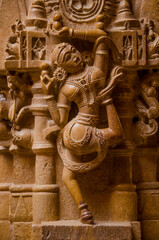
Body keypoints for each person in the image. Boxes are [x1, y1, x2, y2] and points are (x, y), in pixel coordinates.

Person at [40, 27, 124, 224]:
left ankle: (84, 211)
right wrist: (48, 93)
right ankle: (108, 102)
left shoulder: (83, 78)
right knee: (117, 134)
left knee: (67, 176)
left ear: (79, 51)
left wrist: (69, 32)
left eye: (72, 51)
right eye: (66, 58)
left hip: (73, 132)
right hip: (79, 130)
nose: (73, 57)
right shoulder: (94, 74)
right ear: (62, 68)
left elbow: (103, 38)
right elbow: (60, 120)